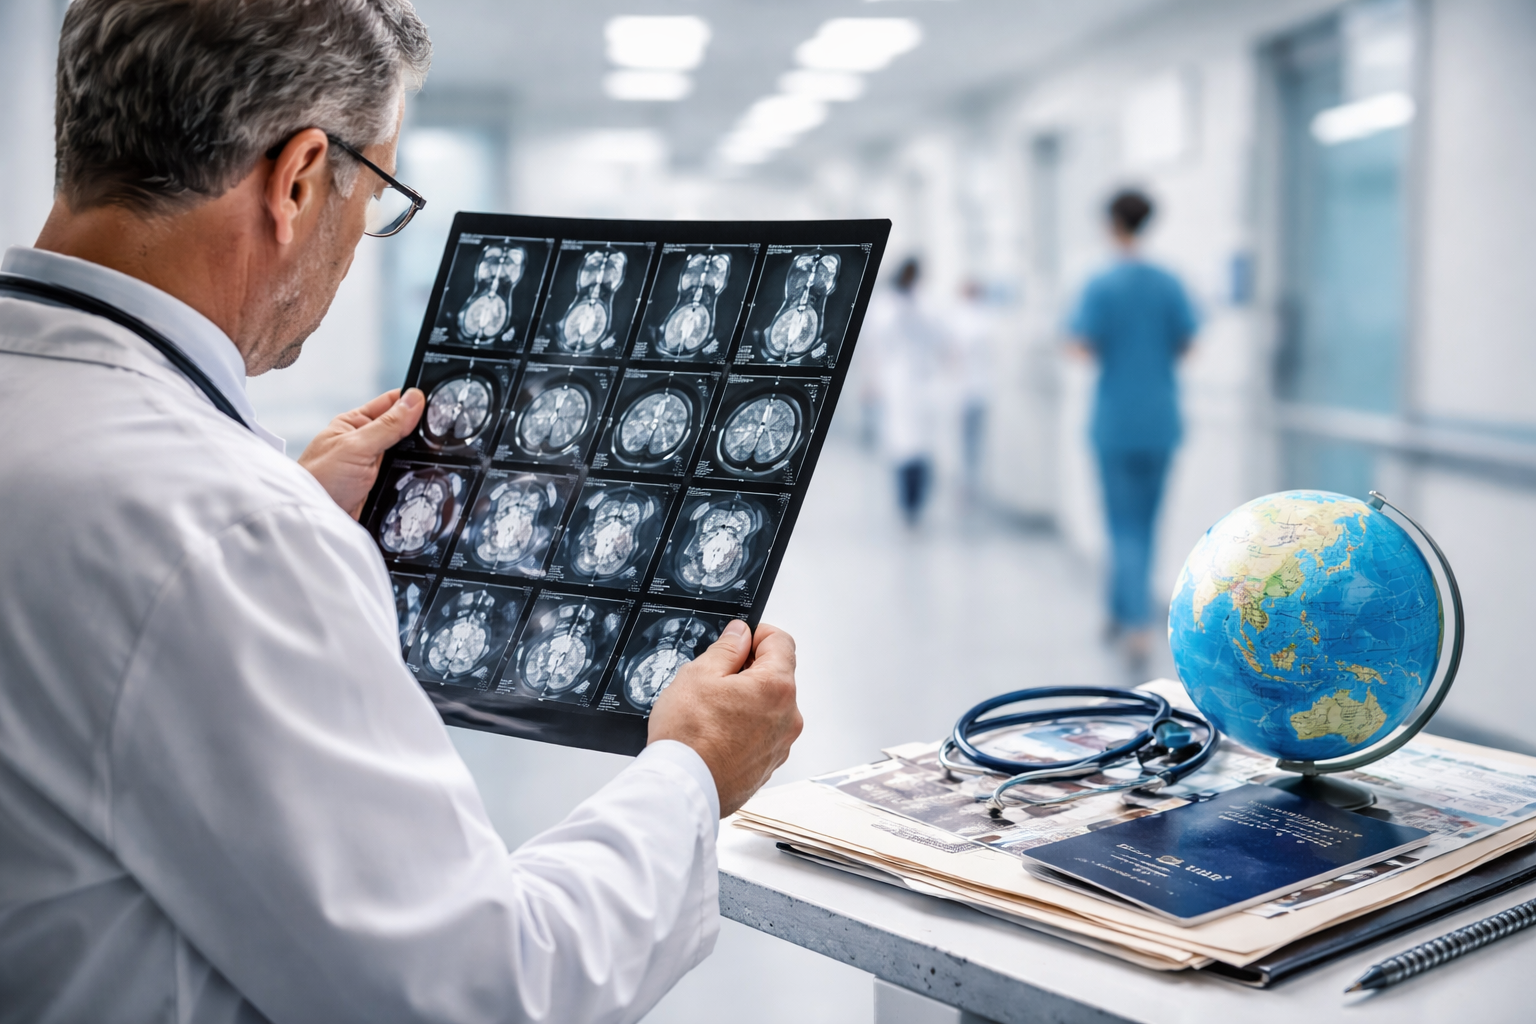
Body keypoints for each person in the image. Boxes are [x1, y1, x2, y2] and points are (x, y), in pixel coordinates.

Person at [0, 2, 801, 1022]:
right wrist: (693, 769)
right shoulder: (228, 533)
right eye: (374, 190)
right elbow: (484, 991)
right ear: (295, 181)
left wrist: (284, 500)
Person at [1067, 189, 1198, 668]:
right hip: (1160, 420)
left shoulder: (1101, 285)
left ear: (1111, 224)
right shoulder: (1168, 283)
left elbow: (1079, 346)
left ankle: (1137, 623)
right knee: (1145, 523)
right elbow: (1188, 345)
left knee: (1121, 527)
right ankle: (1119, 610)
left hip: (1115, 422)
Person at [865, 257, 944, 528]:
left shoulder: (923, 302)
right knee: (901, 445)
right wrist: (873, 381)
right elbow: (877, 344)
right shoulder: (887, 305)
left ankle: (916, 503)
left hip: (923, 382)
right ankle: (907, 504)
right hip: (897, 383)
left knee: (921, 446)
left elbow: (936, 335)